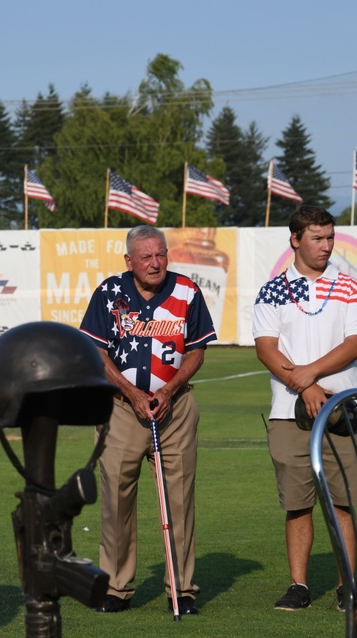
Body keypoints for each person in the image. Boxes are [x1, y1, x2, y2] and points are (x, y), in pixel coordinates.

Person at [79, 225, 217, 617]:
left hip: (175, 409)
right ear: (129, 261)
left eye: (161, 254)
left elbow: (196, 352)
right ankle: (116, 587)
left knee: (179, 499)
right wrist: (133, 393)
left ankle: (182, 589)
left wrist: (168, 392)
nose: (156, 263)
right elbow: (95, 353)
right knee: (116, 500)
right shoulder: (110, 292)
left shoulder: (187, 291)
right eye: (146, 257)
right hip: (121, 409)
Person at [252, 205, 357, 611]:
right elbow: (266, 348)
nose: (326, 245)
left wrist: (310, 377)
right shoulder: (272, 290)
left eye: (330, 237)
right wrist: (304, 388)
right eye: (317, 238)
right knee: (297, 503)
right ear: (295, 240)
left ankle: (347, 586)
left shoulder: (352, 287)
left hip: (342, 409)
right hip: (288, 413)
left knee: (343, 501)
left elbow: (354, 344)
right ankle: (299, 586)